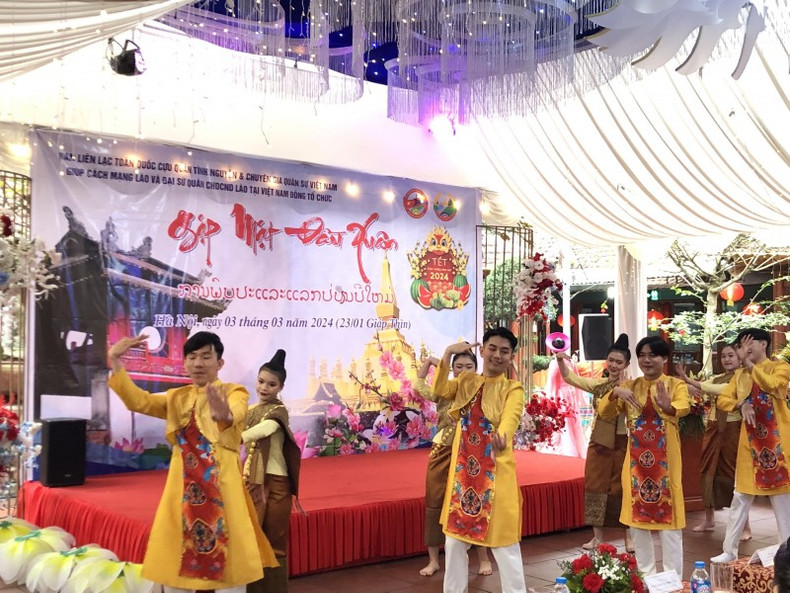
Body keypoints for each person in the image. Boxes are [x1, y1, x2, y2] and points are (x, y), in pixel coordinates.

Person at [107, 331, 277, 593]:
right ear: (185, 363)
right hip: (183, 490)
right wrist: (115, 361)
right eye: (192, 357)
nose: (198, 363)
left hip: (222, 490)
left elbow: (234, 414)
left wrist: (222, 412)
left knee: (231, 564)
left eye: (206, 357)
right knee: (175, 561)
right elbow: (138, 401)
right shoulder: (177, 397)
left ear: (219, 363)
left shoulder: (235, 392)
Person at [433, 327, 527, 593]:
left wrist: (502, 437)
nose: (497, 355)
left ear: (511, 357)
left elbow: (511, 417)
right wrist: (448, 353)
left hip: (495, 473)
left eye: (504, 351)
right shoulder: (466, 381)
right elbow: (440, 389)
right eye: (492, 348)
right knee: (454, 542)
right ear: (483, 350)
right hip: (463, 475)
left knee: (505, 544)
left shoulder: (513, 388)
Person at [599, 336, 690, 577]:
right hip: (635, 466)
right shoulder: (630, 386)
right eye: (642, 355)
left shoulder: (675, 385)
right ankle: (646, 577)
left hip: (666, 465)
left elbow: (683, 407)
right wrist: (614, 393)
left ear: (665, 359)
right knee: (637, 523)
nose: (646, 360)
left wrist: (667, 406)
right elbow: (604, 412)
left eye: (653, 355)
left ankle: (672, 579)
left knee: (670, 524)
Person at [711, 328, 790, 564]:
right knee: (740, 498)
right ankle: (729, 550)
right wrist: (741, 404)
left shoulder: (780, 367)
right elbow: (723, 400)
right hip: (750, 447)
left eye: (748, 343)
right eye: (741, 345)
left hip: (778, 446)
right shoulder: (739, 376)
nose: (743, 349)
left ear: (763, 344)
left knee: (782, 503)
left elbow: (771, 385)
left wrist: (747, 363)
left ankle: (786, 553)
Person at [416, 350, 493, 578]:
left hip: (472, 451)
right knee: (434, 500)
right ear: (452, 369)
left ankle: (483, 558)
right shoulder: (443, 389)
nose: (464, 371)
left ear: (476, 369)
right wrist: (430, 362)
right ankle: (433, 561)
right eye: (458, 366)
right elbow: (419, 385)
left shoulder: (483, 390)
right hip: (443, 449)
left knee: (474, 501)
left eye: (469, 366)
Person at [556, 333, 634, 552]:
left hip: (622, 441)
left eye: (619, 362)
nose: (614, 365)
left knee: (622, 487)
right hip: (599, 441)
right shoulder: (599, 385)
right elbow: (571, 378)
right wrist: (560, 360)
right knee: (595, 486)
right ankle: (597, 537)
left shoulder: (632, 387)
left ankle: (629, 537)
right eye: (611, 360)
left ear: (627, 364)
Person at [675, 344, 751, 538]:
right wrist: (687, 386)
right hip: (712, 427)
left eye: (731, 355)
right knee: (706, 472)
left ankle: (745, 526)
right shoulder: (717, 377)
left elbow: (720, 390)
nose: (726, 359)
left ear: (740, 358)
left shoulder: (743, 378)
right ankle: (709, 519)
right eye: (724, 356)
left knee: (732, 475)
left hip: (732, 430)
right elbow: (703, 387)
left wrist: (691, 382)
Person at [243, 349, 302, 593]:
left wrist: (235, 438)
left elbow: (264, 429)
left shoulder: (278, 411)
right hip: (253, 481)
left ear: (281, 387)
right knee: (252, 538)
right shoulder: (250, 411)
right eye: (261, 381)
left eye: (271, 384)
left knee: (274, 542)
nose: (264, 388)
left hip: (277, 484)